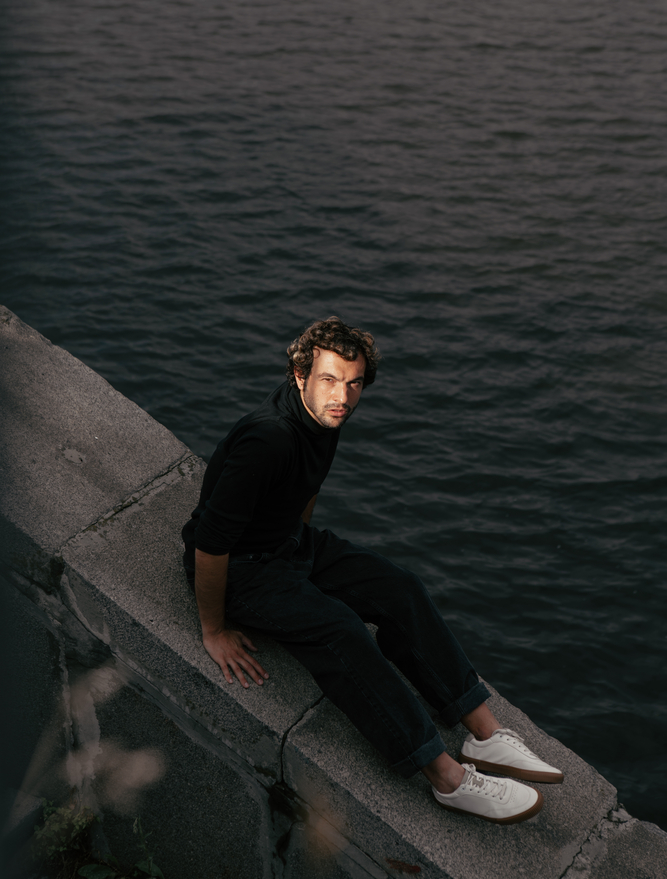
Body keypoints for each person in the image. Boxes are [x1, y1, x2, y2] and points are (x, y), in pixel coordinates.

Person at [182, 317, 563, 824]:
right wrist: (213, 629)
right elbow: (210, 542)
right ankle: (446, 777)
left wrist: (304, 550)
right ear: (300, 375)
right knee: (342, 631)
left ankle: (485, 735)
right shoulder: (267, 439)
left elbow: (305, 489)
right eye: (330, 379)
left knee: (400, 589)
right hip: (243, 571)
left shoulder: (325, 417)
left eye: (354, 383)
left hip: (289, 545)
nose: (343, 394)